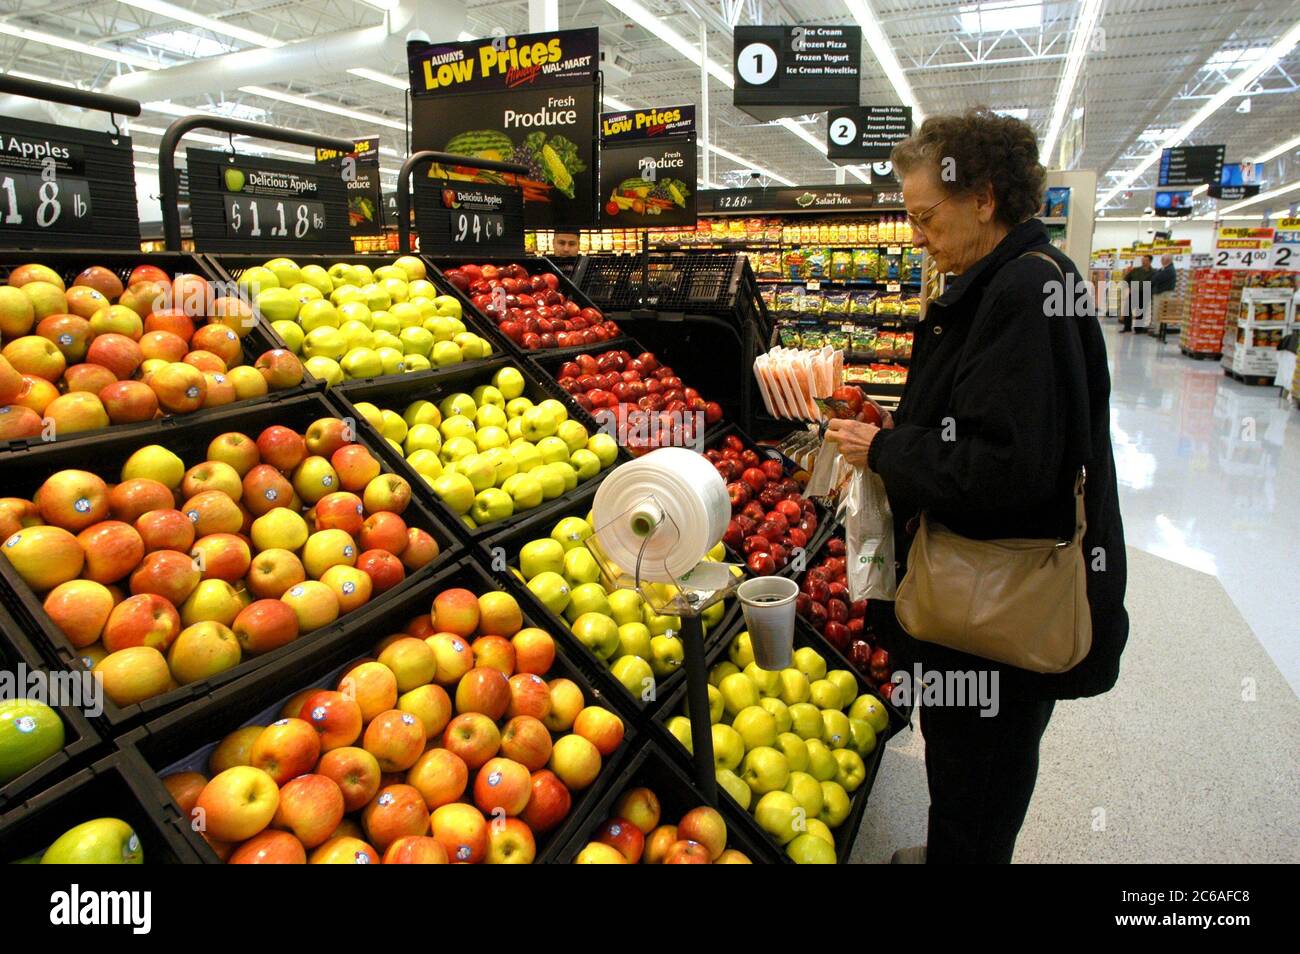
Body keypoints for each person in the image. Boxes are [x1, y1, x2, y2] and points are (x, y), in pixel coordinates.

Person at [825, 107, 1128, 864]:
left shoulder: (1022, 295)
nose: (917, 234)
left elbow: (1008, 469)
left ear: (984, 198)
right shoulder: (1011, 278)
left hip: (997, 606)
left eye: (927, 216)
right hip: (981, 596)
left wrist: (888, 449)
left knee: (981, 770)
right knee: (967, 768)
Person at [1121, 254, 1153, 333]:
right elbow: (1127, 278)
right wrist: (1129, 286)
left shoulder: (1153, 272)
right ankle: (1127, 327)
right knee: (1127, 309)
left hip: (1144, 294)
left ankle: (1138, 329)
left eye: (1145, 260)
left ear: (1150, 261)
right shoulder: (1136, 270)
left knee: (1141, 312)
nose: (1143, 262)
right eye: (1142, 260)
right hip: (1134, 292)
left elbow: (1154, 283)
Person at [1150, 254, 1177, 338]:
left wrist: (1154, 277)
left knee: (1159, 312)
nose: (1161, 260)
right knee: (1158, 312)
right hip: (1160, 293)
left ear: (1167, 260)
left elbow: (1156, 278)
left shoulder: (1169, 270)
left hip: (1163, 294)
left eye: (1162, 259)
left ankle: (1158, 331)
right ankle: (1157, 330)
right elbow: (1154, 277)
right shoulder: (1165, 269)